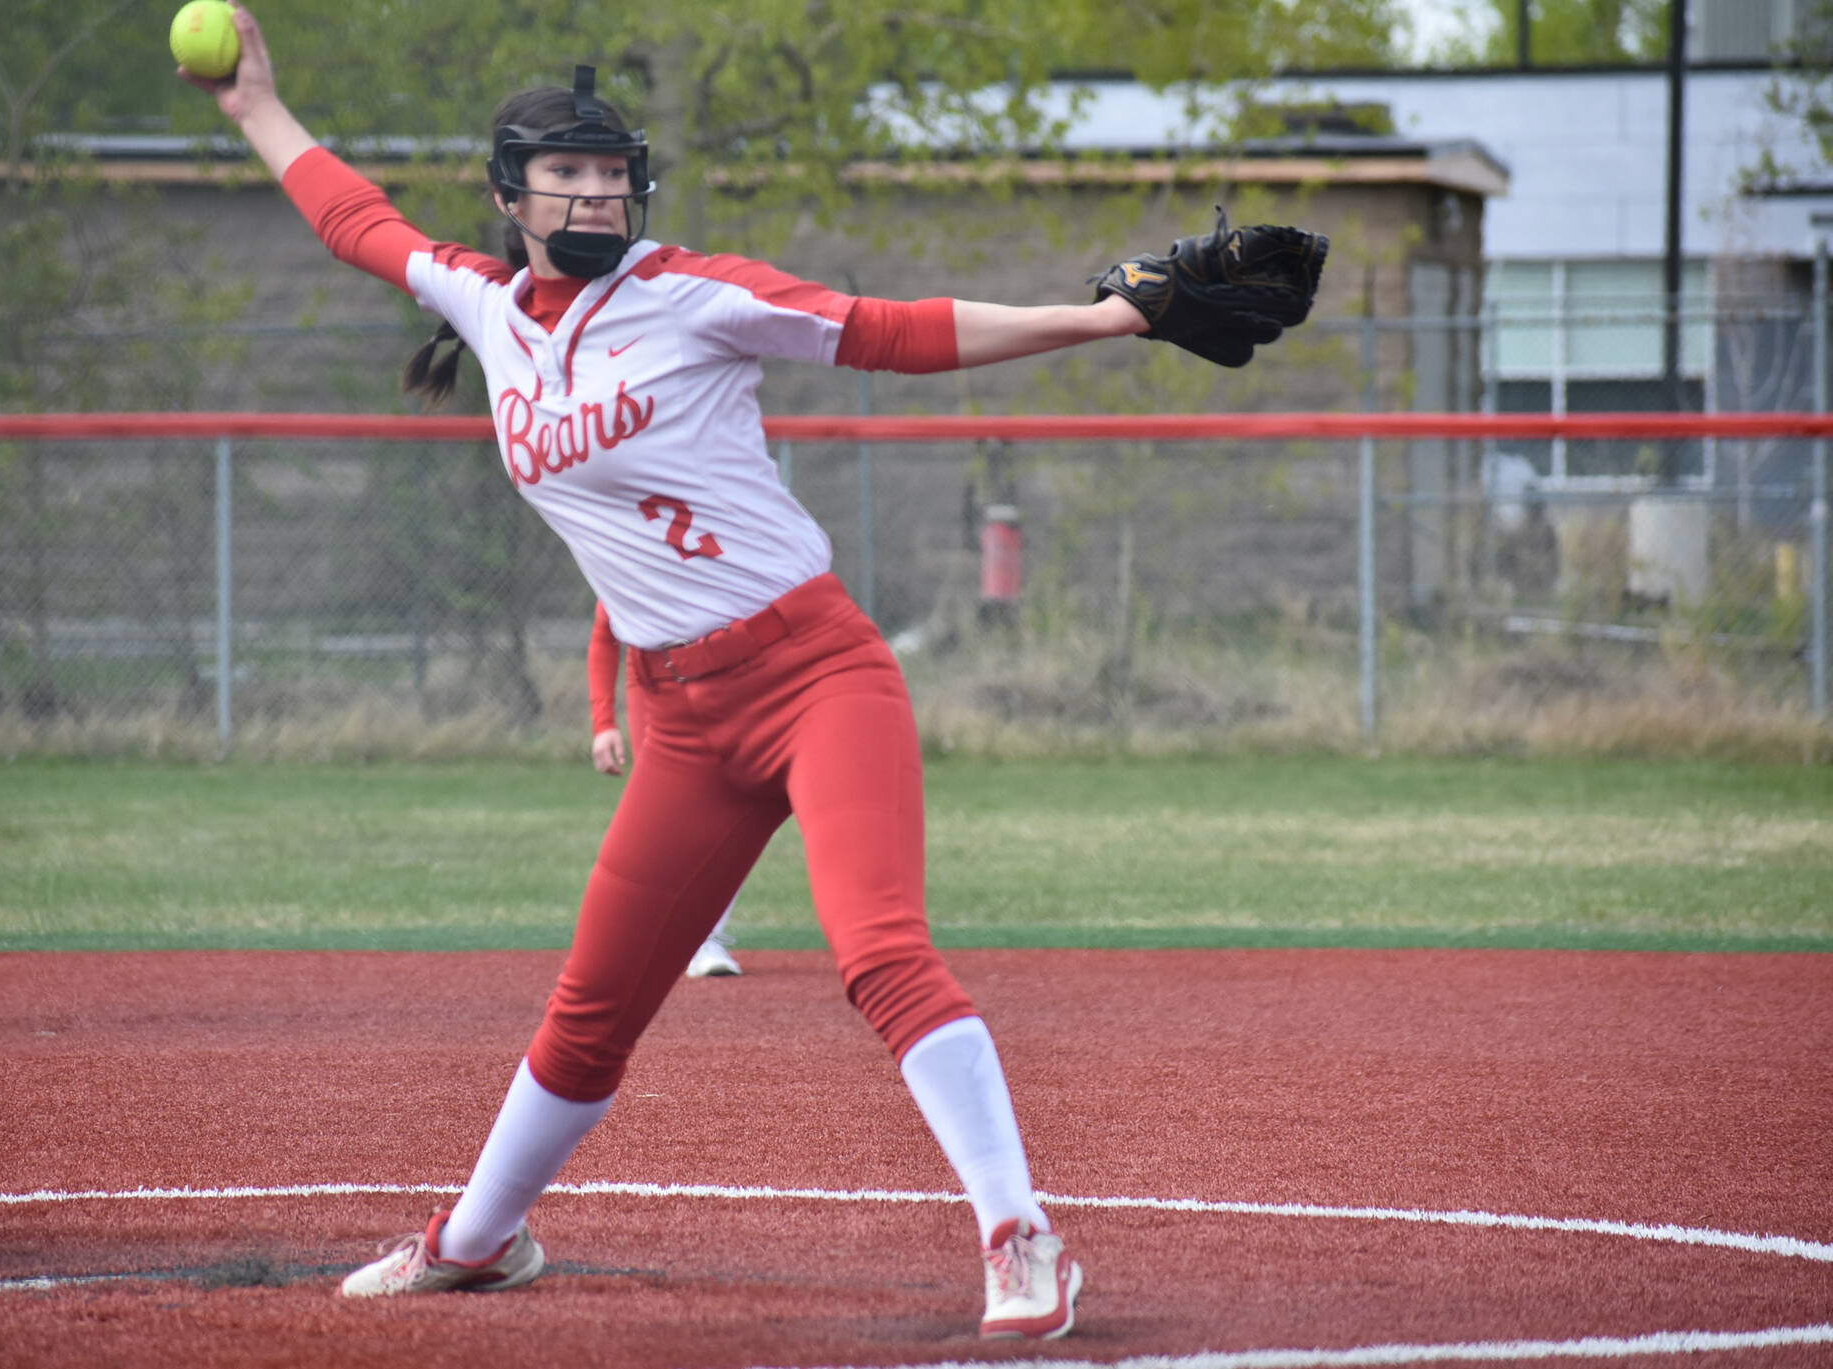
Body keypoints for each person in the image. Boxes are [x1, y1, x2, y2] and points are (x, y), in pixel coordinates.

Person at [185, 6, 1315, 1340]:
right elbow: (353, 219)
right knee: (592, 1007)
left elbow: (893, 331)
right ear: (510, 197)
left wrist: (1108, 320)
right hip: (682, 721)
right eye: (568, 175)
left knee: (880, 953)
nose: (598, 190)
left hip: (815, 674)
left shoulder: (686, 292)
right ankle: (478, 1241)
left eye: (614, 173)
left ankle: (1023, 1241)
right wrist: (258, 108)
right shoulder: (486, 308)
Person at [589, 600, 743, 978]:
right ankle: (656, 934)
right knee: (667, 817)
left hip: (727, 679)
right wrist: (604, 723)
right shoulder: (635, 550)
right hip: (655, 679)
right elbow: (605, 635)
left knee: (736, 808)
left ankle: (705, 936)